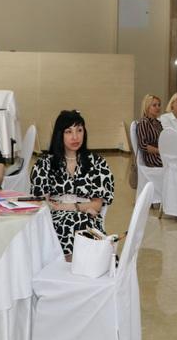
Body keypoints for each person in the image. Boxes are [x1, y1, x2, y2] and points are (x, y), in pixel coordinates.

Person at [30, 110, 114, 258]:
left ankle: (79, 266)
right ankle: (71, 266)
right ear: (59, 135)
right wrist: (59, 207)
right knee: (67, 224)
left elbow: (96, 204)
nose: (75, 137)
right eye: (68, 132)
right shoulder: (45, 163)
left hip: (86, 215)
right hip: (54, 217)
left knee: (81, 222)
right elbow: (41, 202)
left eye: (79, 130)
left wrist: (71, 207)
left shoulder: (97, 162)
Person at [136, 94, 163, 167]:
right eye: (154, 105)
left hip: (160, 154)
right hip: (152, 157)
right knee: (174, 163)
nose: (158, 107)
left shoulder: (158, 123)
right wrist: (159, 151)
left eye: (159, 105)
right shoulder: (144, 122)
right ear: (147, 107)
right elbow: (143, 145)